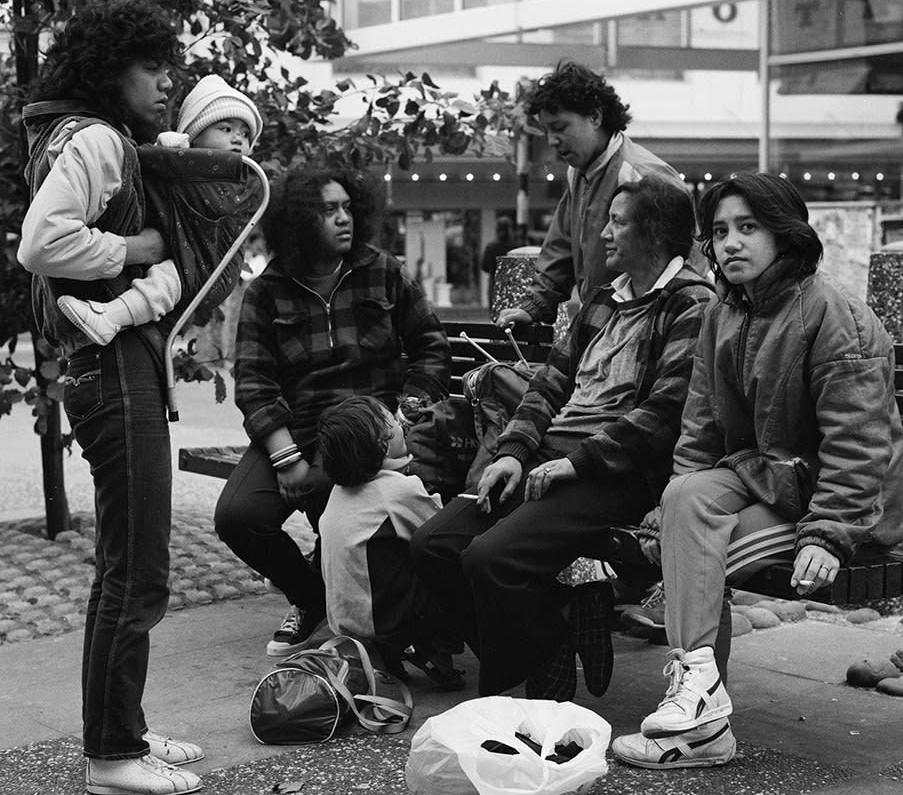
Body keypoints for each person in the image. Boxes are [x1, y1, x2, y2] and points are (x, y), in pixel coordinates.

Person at [612, 172, 903, 772]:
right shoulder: (726, 311)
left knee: (695, 549)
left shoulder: (834, 315)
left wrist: (829, 529)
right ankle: (701, 696)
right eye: (719, 232)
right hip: (770, 480)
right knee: (687, 502)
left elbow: (859, 442)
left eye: (749, 228)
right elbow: (699, 427)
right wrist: (667, 505)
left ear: (785, 233)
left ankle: (699, 723)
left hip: (835, 504)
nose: (731, 244)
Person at [411, 175, 713, 699]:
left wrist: (577, 464)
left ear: (656, 234)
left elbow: (665, 413)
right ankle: (550, 638)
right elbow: (548, 385)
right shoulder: (602, 300)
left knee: (490, 560)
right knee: (433, 546)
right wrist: (513, 451)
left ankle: (519, 698)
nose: (603, 235)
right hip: (550, 455)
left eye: (618, 223)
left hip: (617, 469)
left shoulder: (690, 305)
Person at [17, 0, 204, 795]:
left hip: (103, 362)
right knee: (137, 568)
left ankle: (116, 727)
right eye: (152, 67)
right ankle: (113, 756)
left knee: (123, 565)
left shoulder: (78, 134)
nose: (167, 82)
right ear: (109, 70)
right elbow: (41, 241)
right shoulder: (96, 138)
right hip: (112, 361)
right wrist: (138, 246)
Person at [214, 165, 451, 657]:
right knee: (239, 516)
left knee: (333, 488)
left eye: (347, 207)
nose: (344, 218)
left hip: (368, 428)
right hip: (296, 430)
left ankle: (365, 606)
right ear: (300, 221)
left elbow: (431, 348)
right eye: (328, 210)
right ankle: (312, 597)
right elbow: (254, 383)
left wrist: (402, 416)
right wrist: (285, 457)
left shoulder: (380, 270)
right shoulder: (268, 289)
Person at [56, 74, 263, 346]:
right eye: (226, 129)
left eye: (246, 133)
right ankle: (111, 316)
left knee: (165, 280)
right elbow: (141, 162)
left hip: (210, 266)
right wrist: (169, 151)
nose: (238, 138)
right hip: (182, 252)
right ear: (195, 136)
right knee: (164, 278)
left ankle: (111, 316)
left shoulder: (244, 181)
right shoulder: (179, 163)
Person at [496, 60, 691, 331]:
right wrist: (534, 306)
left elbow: (687, 261)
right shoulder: (578, 172)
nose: (552, 140)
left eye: (560, 126)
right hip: (600, 327)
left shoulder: (641, 175)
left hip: (644, 331)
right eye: (547, 130)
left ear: (595, 117)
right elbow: (561, 247)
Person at [316, 395, 464, 689]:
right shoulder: (397, 490)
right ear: (380, 446)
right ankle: (430, 647)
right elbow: (438, 532)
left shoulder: (337, 492)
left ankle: (390, 653)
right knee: (451, 567)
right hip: (386, 620)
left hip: (345, 618)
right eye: (394, 423)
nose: (402, 425)